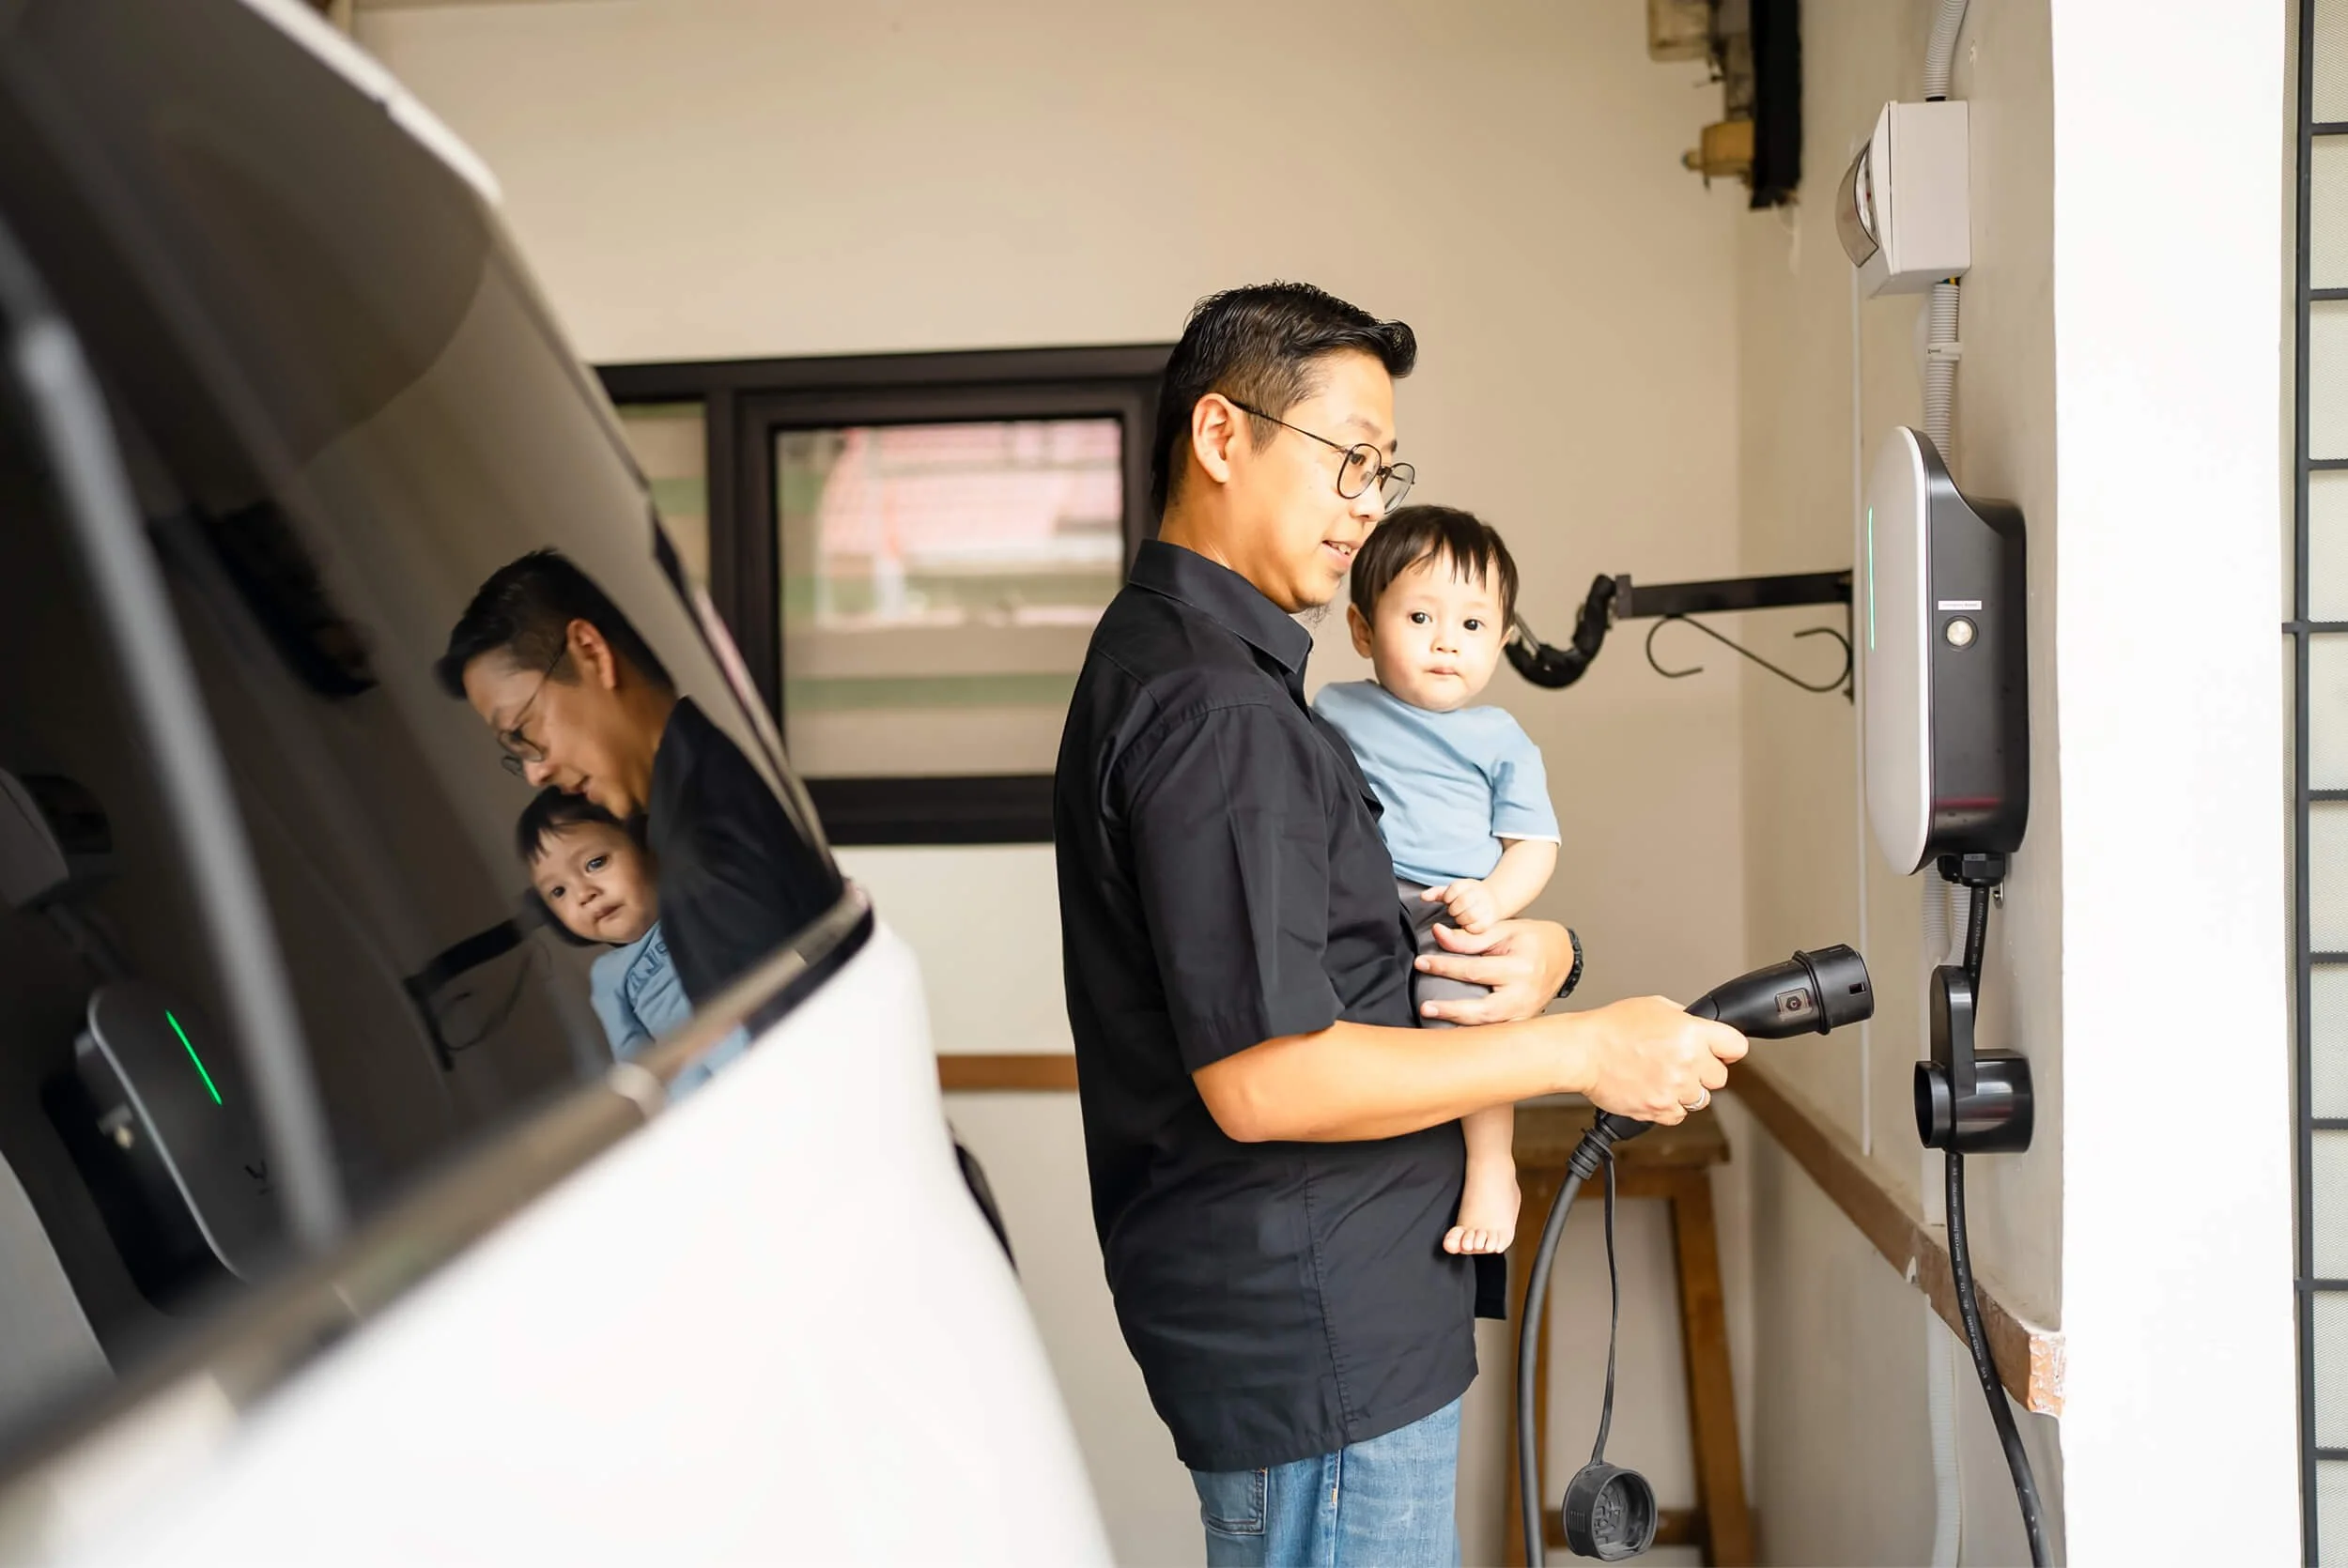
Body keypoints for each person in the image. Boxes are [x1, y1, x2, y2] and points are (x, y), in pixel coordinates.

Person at [1053, 282, 1745, 1568]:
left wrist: (1546, 950)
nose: (1370, 500)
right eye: (1348, 460)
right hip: (1322, 1346)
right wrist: (1583, 1049)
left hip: (1335, 1326)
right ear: (1221, 437)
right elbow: (1269, 1077)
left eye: (1386, 467)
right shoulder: (1218, 712)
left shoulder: (1218, 676)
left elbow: (1356, 951)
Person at [1314, 505, 1556, 1270]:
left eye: (1474, 625)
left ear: (1504, 642)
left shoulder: (1501, 738)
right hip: (1356, 904)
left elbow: (1535, 843)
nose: (1447, 641)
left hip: (1451, 907)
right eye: (1420, 616)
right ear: (1362, 630)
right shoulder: (1335, 708)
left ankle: (1493, 1166)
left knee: (1468, 1019)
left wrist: (1495, 900)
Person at [435, 549, 836, 1010]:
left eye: (524, 733)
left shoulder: (704, 867)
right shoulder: (726, 765)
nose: (535, 771)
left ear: (591, 652)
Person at [513, 787, 746, 1098]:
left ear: (645, 843)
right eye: (558, 891)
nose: (584, 893)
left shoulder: (698, 900)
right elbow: (633, 1059)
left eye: (595, 863)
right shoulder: (607, 975)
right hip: (696, 1094)